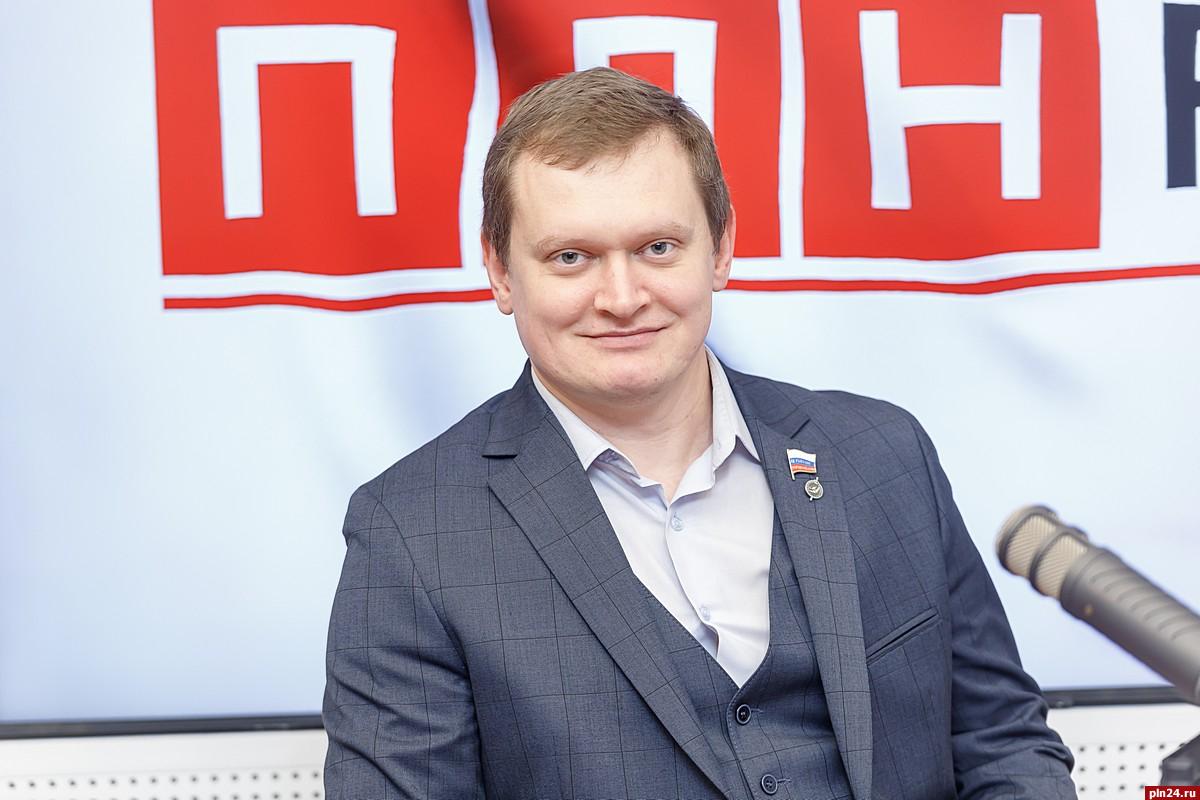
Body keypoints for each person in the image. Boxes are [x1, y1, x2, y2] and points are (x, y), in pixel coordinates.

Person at [322, 67, 1077, 800]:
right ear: (499, 271)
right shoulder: (410, 533)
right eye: (571, 258)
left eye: (657, 248)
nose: (622, 298)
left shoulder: (882, 454)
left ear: (719, 248)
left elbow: (1002, 742)